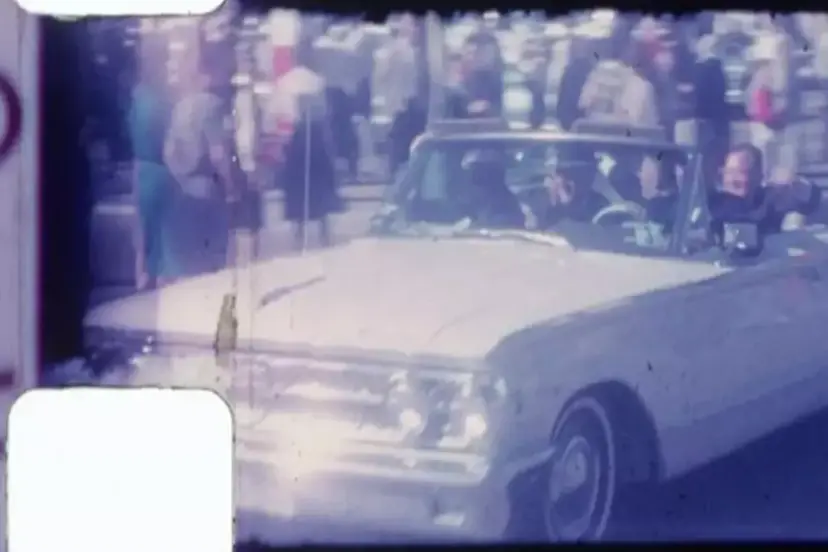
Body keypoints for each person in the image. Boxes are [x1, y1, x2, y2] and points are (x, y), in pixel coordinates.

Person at [163, 42, 239, 277]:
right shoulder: (212, 105)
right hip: (208, 186)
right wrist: (230, 186)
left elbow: (168, 151)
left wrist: (179, 175)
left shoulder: (180, 107)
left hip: (182, 188)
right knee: (214, 255)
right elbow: (218, 151)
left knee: (192, 256)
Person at [128, 38, 177, 290]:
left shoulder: (138, 95)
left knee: (145, 225)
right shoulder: (166, 97)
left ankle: (143, 274)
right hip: (162, 167)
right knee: (162, 227)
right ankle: (157, 274)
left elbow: (130, 129)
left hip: (143, 167)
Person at [708, 144, 820, 244]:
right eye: (729, 172)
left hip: (767, 258)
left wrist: (794, 181)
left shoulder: (770, 199)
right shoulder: (713, 204)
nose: (734, 179)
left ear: (759, 175)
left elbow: (810, 200)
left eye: (741, 172)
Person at [281, 104, 341, 250]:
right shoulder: (319, 135)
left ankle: (301, 237)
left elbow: (289, 158)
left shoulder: (298, 135)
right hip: (315, 178)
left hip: (302, 178)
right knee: (320, 210)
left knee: (302, 211)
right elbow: (326, 157)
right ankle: (323, 237)